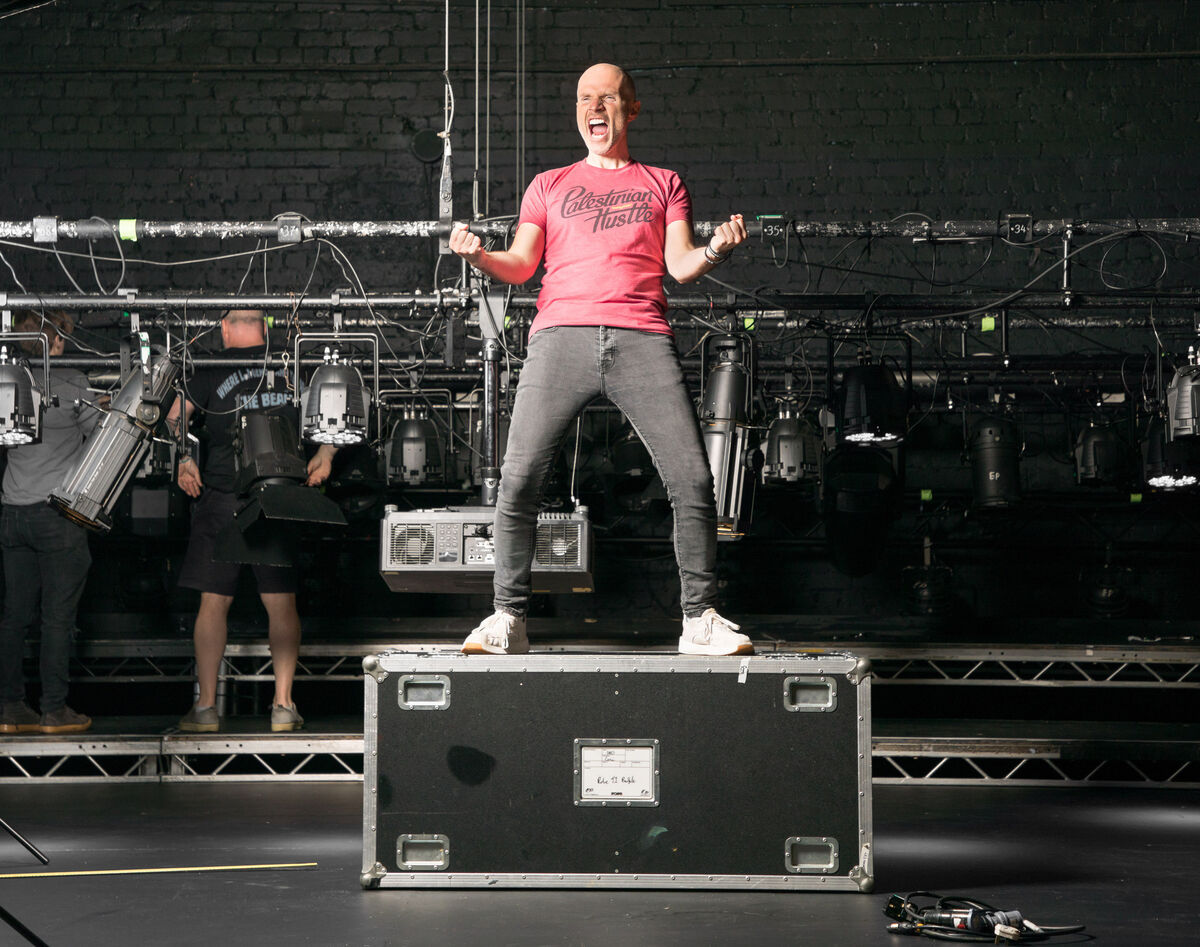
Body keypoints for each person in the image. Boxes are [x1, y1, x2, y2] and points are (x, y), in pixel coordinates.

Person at [449, 62, 752, 657]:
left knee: (692, 478)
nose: (595, 107)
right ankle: (507, 617)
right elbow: (521, 265)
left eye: (608, 98)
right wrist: (481, 257)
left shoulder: (663, 182)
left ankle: (699, 619)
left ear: (630, 110)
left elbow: (680, 265)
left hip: (640, 336)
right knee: (518, 479)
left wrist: (716, 247)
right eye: (586, 97)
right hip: (559, 336)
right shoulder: (549, 184)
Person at [168, 310, 335, 732]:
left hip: (223, 495)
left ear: (224, 326)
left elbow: (173, 418)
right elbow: (339, 402)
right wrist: (326, 456)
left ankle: (206, 707)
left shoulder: (208, 366)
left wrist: (185, 459)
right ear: (265, 325)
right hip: (278, 495)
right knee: (281, 603)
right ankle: (282, 705)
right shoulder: (293, 360)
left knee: (213, 602)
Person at [0, 310, 101, 734]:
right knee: (57, 618)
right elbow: (100, 434)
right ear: (54, 339)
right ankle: (54, 710)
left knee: (14, 616)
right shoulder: (73, 381)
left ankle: (9, 708)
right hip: (57, 516)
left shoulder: (7, 381)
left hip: (11, 513)